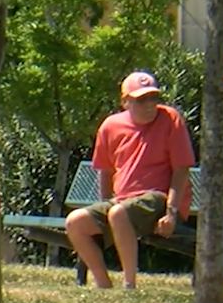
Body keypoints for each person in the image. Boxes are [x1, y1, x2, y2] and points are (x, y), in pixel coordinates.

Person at [65, 71, 197, 289]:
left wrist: (171, 213)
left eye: (153, 98)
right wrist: (105, 205)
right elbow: (106, 172)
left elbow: (181, 170)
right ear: (125, 102)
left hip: (159, 199)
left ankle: (129, 284)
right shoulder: (110, 126)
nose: (149, 104)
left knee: (119, 212)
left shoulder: (170, 119)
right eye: (141, 99)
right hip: (123, 203)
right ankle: (103, 284)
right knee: (75, 222)